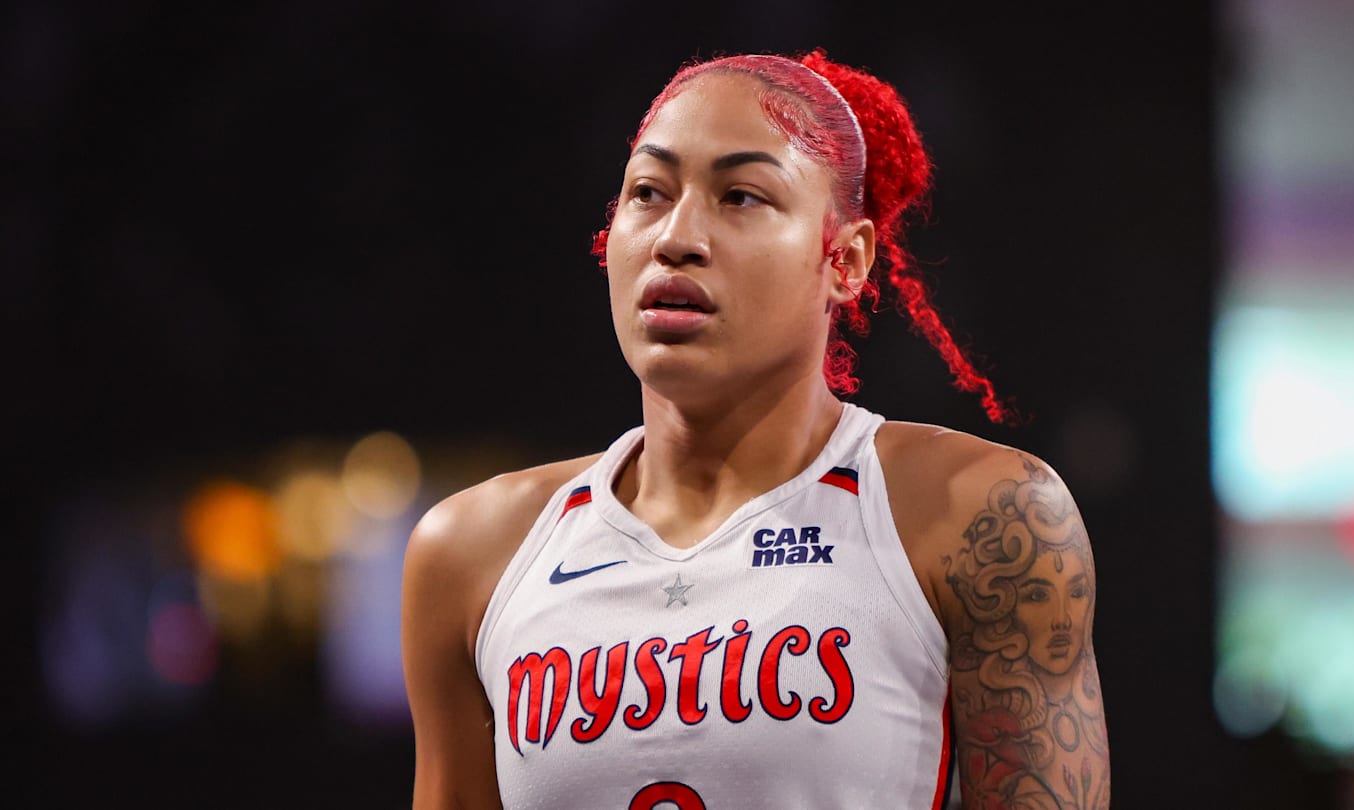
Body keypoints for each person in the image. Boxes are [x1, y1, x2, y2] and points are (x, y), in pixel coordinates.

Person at [401, 47, 1110, 809]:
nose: (677, 237)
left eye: (740, 196)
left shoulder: (979, 516)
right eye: (648, 191)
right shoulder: (470, 554)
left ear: (846, 259)